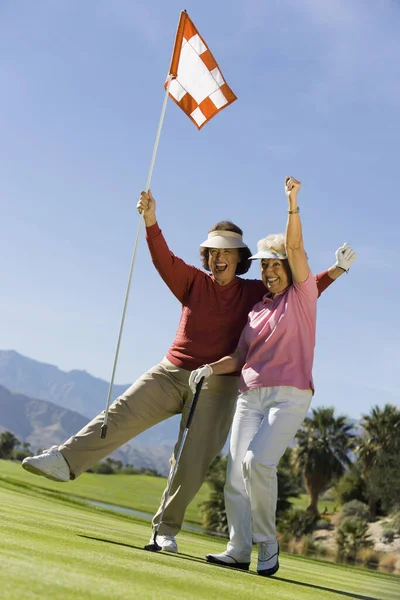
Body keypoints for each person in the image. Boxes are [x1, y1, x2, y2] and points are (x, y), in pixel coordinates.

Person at [22, 188, 355, 554]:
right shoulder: (192, 281)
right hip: (172, 371)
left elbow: (303, 287)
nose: (218, 258)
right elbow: (163, 259)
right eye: (212, 252)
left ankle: (164, 531)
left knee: (190, 460)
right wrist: (151, 220)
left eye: (226, 252)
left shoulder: (253, 291)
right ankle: (65, 460)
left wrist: (335, 270)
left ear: (239, 258)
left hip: (219, 384)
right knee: (120, 413)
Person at [189, 177, 356, 575]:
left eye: (274, 264)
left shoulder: (303, 295)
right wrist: (208, 369)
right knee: (235, 472)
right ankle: (237, 548)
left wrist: (292, 203)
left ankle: (267, 544)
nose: (268, 271)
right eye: (263, 265)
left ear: (288, 267)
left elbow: (295, 246)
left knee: (257, 462)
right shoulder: (257, 310)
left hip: (290, 396)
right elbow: (240, 355)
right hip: (250, 396)